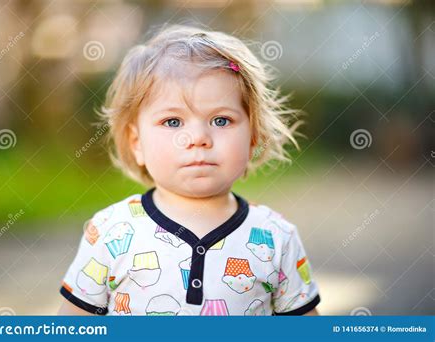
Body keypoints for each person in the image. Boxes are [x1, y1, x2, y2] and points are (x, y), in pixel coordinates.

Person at [58, 24, 320, 316]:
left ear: (253, 139)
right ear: (137, 143)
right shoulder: (110, 231)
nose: (198, 138)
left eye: (221, 120)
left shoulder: (276, 237)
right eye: (172, 122)